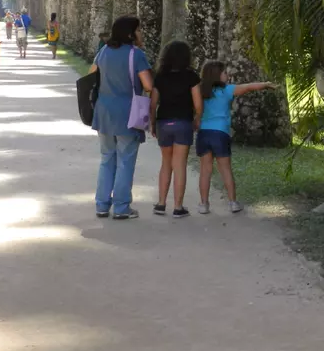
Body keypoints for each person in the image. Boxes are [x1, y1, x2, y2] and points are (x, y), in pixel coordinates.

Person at [88, 16, 154, 219]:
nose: (141, 34)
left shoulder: (104, 51)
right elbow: (148, 85)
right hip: (128, 113)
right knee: (125, 160)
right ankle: (121, 207)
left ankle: (101, 204)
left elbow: (91, 75)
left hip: (104, 112)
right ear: (130, 33)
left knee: (107, 158)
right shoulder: (136, 55)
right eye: (138, 30)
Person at [196, 61, 277, 214]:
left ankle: (204, 204)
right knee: (225, 169)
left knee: (205, 170)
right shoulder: (227, 90)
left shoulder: (201, 91)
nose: (227, 75)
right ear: (216, 75)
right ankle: (233, 203)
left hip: (204, 133)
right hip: (220, 134)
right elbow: (248, 87)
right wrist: (265, 84)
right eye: (224, 72)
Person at [150, 41, 202, 219]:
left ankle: (161, 203)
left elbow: (153, 103)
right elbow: (198, 104)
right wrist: (197, 119)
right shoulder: (191, 77)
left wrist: (152, 123)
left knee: (166, 163)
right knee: (179, 165)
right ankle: (178, 207)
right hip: (183, 123)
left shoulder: (160, 76)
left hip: (164, 122)